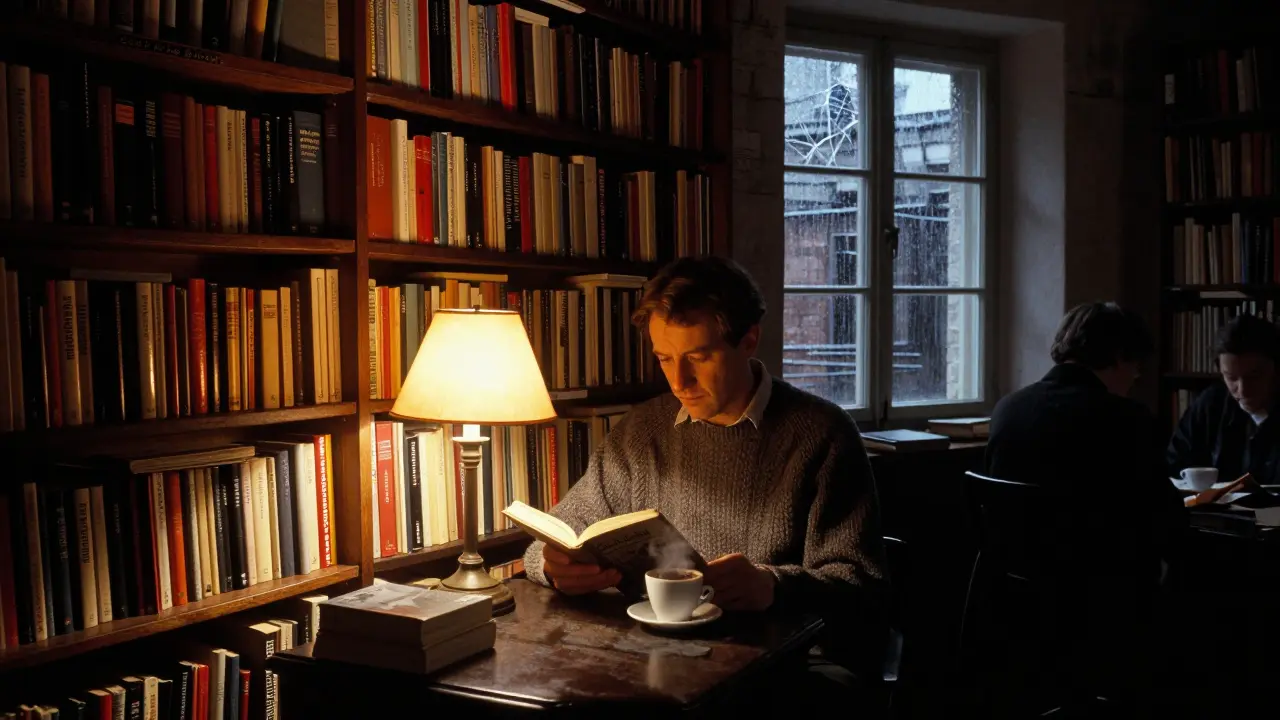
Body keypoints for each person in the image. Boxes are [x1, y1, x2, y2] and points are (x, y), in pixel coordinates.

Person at [520, 256, 888, 705]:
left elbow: (861, 586)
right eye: (664, 358)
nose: (679, 380)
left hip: (776, 669)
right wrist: (551, 566)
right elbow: (559, 531)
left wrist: (772, 585)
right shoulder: (641, 431)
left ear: (749, 339)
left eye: (698, 357)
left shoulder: (821, 434)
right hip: (650, 663)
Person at [983, 302, 1184, 716]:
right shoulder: (1123, 418)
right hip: (1096, 599)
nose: (1136, 377)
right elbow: (1167, 521)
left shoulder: (1010, 408)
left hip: (1014, 594)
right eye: (1135, 366)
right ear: (1119, 358)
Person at [1168, 313, 1280, 485]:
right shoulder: (1211, 405)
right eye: (1231, 377)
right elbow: (1173, 466)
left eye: (1254, 376)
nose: (1243, 390)